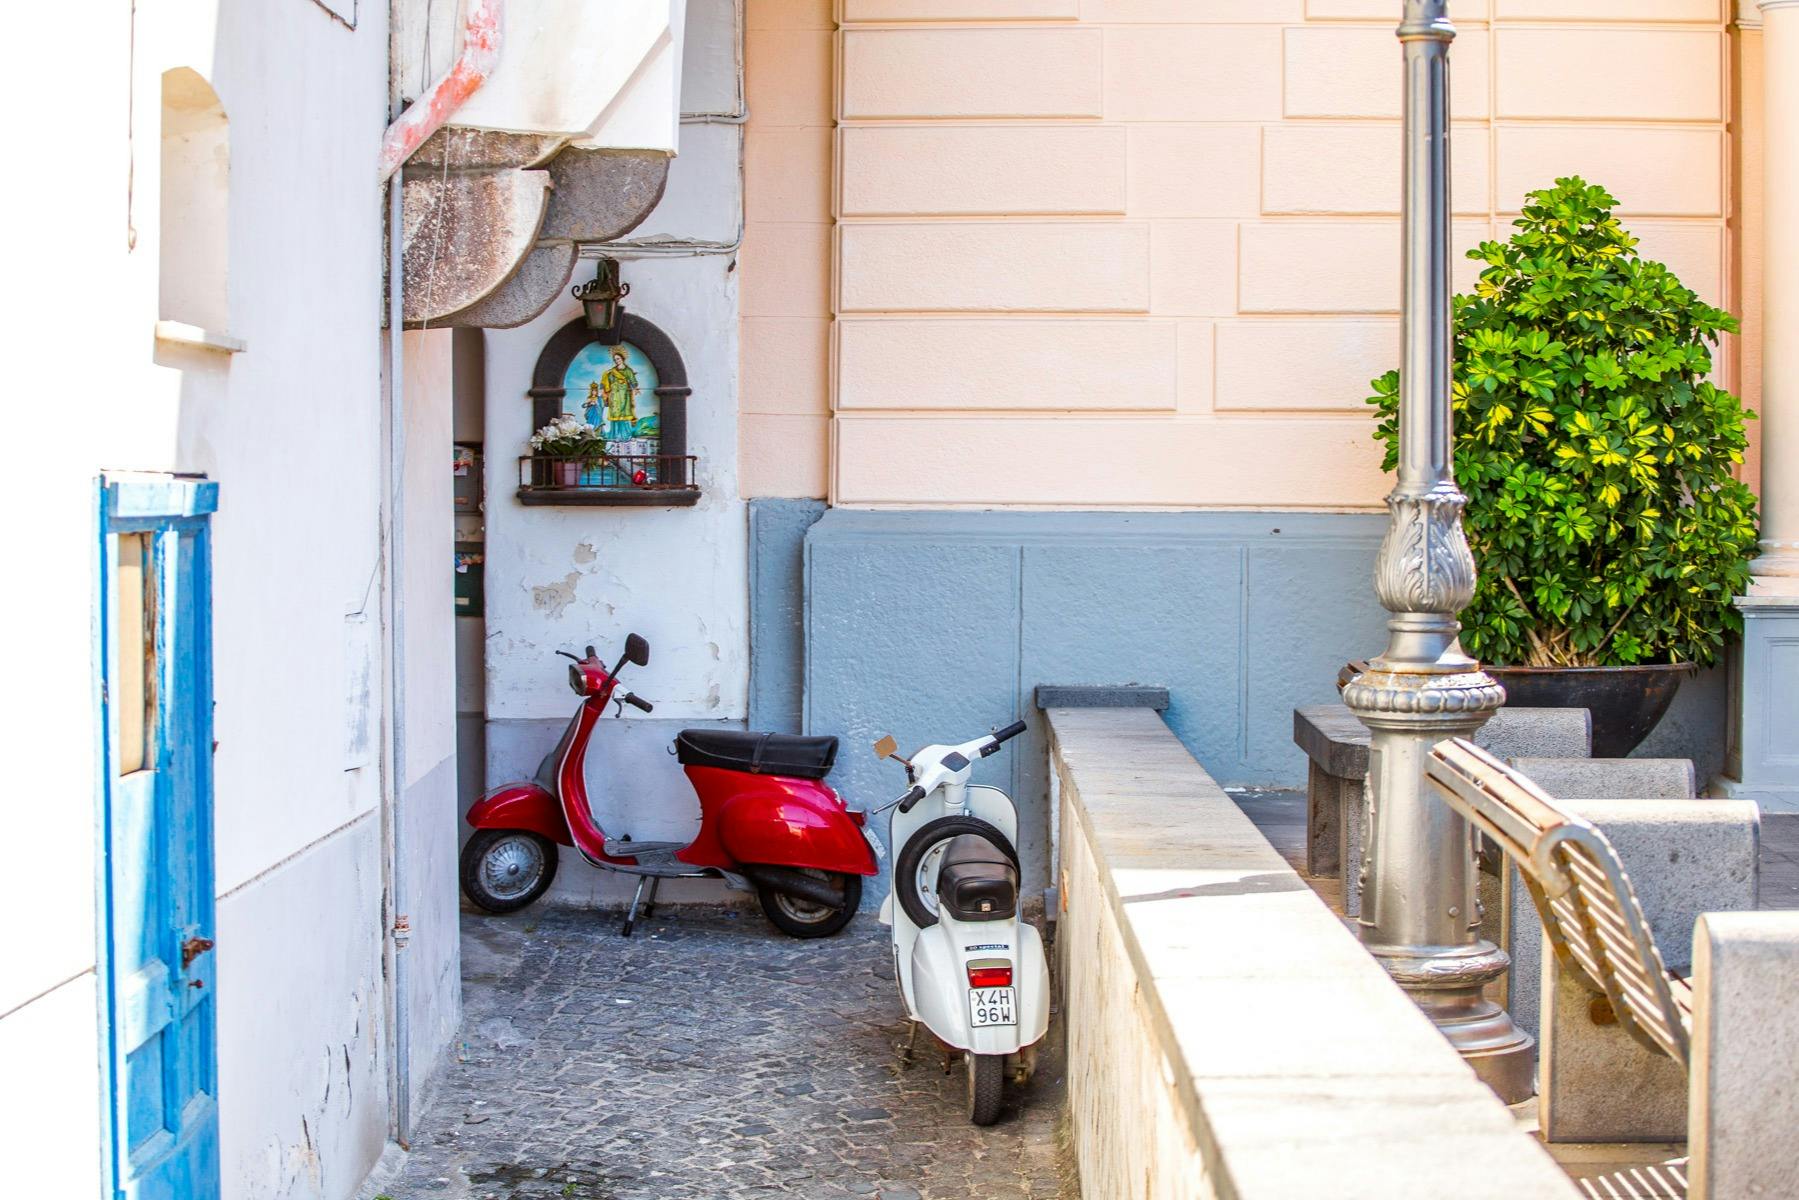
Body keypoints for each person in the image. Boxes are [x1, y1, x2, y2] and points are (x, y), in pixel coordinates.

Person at [600, 348, 639, 442]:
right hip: (614, 396)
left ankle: (626, 436)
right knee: (615, 416)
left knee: (625, 416)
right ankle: (615, 435)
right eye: (615, 359)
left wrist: (631, 384)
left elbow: (634, 383)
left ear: (622, 358)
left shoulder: (628, 371)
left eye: (618, 358)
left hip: (625, 396)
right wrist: (603, 389)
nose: (616, 361)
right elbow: (605, 383)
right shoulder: (611, 372)